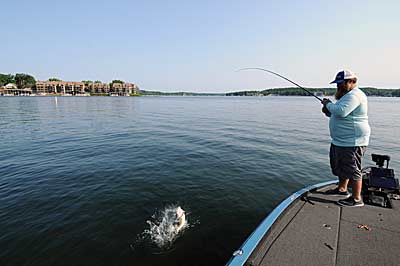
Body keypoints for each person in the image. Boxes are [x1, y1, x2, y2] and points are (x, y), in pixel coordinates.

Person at [322, 70, 371, 207]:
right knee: (342, 167)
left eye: (340, 83)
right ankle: (342, 190)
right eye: (337, 83)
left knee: (353, 169)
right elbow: (338, 113)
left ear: (350, 82)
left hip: (353, 141)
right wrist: (329, 110)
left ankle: (356, 199)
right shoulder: (346, 96)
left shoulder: (354, 95)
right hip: (341, 141)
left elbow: (341, 112)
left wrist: (327, 104)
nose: (338, 86)